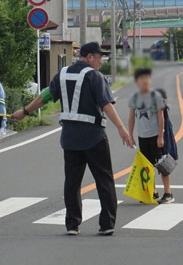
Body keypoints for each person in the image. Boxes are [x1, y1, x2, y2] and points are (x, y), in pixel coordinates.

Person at [12, 42, 134, 236]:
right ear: (88, 57)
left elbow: (45, 96)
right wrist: (122, 129)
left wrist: (25, 111)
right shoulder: (95, 77)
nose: (101, 61)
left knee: (72, 182)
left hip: (69, 139)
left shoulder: (62, 74)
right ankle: (106, 224)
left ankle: (72, 225)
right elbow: (106, 105)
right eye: (99, 57)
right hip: (94, 138)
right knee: (104, 181)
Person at [128, 68, 174, 204]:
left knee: (162, 164)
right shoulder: (134, 98)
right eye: (142, 79)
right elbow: (132, 117)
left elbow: (161, 117)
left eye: (147, 78)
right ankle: (152, 192)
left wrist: (161, 136)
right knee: (147, 166)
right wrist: (130, 135)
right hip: (143, 137)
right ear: (137, 82)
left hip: (156, 136)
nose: (145, 81)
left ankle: (168, 193)